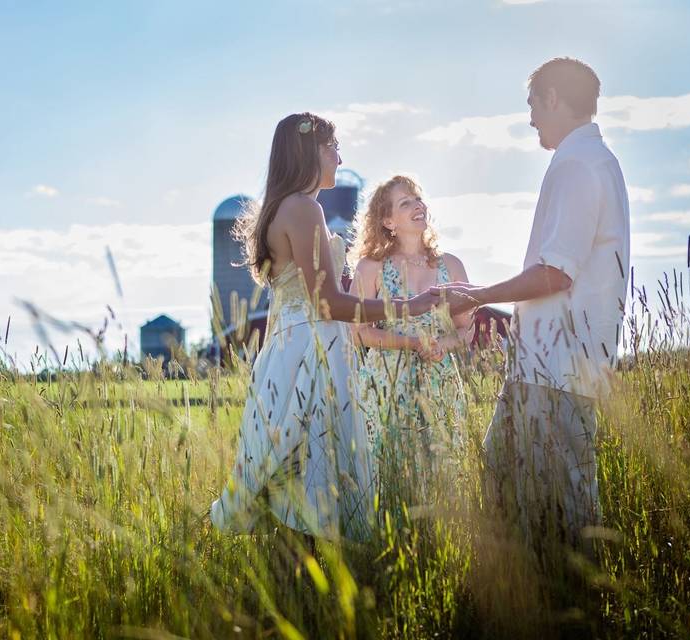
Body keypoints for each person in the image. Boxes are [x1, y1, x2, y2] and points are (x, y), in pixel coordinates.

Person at [210, 113, 440, 542]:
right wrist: (409, 306)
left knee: (292, 466)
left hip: (296, 344)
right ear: (309, 152)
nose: (339, 155)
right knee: (311, 467)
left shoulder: (287, 208)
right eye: (332, 146)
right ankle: (306, 580)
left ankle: (298, 579)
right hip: (309, 350)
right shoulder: (302, 208)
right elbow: (329, 302)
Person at [436, 58, 631, 553]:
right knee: (500, 477)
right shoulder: (587, 161)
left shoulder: (577, 165)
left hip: (558, 368)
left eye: (532, 105)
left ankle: (577, 605)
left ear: (552, 99)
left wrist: (477, 296)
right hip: (543, 367)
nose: (530, 119)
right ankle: (521, 592)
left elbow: (555, 272)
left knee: (566, 506)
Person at [348, 175, 473, 504]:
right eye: (406, 203)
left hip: (439, 382)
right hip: (386, 383)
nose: (418, 205)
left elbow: (466, 329)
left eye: (418, 199)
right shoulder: (371, 268)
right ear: (388, 221)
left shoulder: (452, 266)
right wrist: (411, 343)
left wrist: (444, 345)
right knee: (387, 477)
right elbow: (359, 332)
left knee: (442, 476)